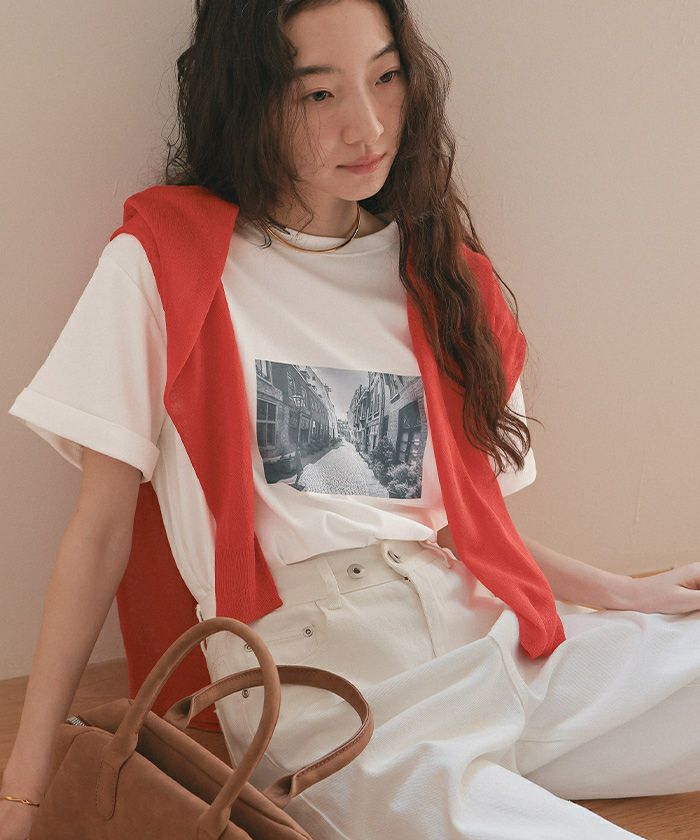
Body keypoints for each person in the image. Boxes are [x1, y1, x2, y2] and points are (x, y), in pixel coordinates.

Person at [2, 1, 700, 838]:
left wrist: (626, 594)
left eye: (385, 76)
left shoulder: (443, 275)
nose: (366, 126)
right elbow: (100, 533)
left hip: (488, 635)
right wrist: (25, 788)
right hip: (327, 686)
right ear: (250, 99)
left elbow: (463, 532)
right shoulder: (167, 262)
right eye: (318, 94)